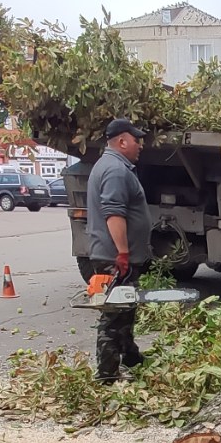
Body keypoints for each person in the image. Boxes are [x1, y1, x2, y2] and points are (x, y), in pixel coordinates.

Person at [86, 118, 153, 383]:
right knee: (114, 316)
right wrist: (123, 253)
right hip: (114, 256)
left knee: (125, 308)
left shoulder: (112, 166)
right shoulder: (115, 170)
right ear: (122, 141)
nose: (140, 145)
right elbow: (114, 213)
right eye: (137, 140)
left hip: (114, 254)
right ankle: (107, 374)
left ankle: (130, 356)